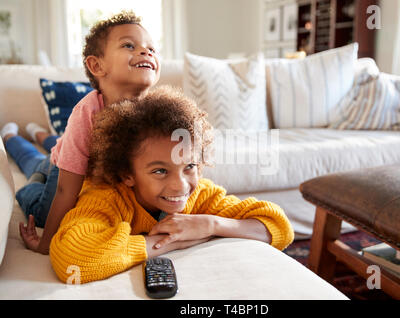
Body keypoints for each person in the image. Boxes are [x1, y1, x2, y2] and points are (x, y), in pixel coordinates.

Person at [50, 86, 294, 284]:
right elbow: (72, 259)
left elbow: (279, 227)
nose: (180, 186)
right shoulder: (107, 197)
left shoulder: (200, 194)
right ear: (127, 174)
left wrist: (209, 224)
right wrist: (172, 241)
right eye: (160, 171)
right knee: (35, 168)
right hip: (52, 178)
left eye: (189, 166)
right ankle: (21, 137)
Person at [1, 10, 161, 255]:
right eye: (129, 45)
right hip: (62, 168)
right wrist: (46, 245)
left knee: (55, 144)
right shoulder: (87, 112)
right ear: (97, 65)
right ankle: (12, 138)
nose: (146, 51)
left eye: (152, 48)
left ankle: (39, 134)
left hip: (73, 151)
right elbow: (66, 189)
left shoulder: (158, 111)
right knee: (38, 187)